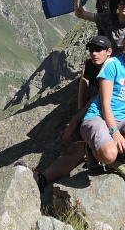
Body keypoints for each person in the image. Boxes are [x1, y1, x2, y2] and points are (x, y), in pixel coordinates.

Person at [32, 36, 113, 191]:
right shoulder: (92, 65)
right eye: (91, 50)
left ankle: (43, 180)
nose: (94, 53)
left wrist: (76, 120)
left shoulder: (113, 68)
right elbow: (87, 83)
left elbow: (100, 97)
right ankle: (43, 180)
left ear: (109, 52)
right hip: (97, 115)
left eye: (98, 50)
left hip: (110, 118)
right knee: (77, 148)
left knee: (77, 149)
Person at [79, 28, 125, 180]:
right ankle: (98, 151)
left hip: (121, 122)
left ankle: (118, 155)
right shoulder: (112, 64)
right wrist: (114, 131)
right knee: (109, 154)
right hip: (97, 118)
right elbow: (105, 103)